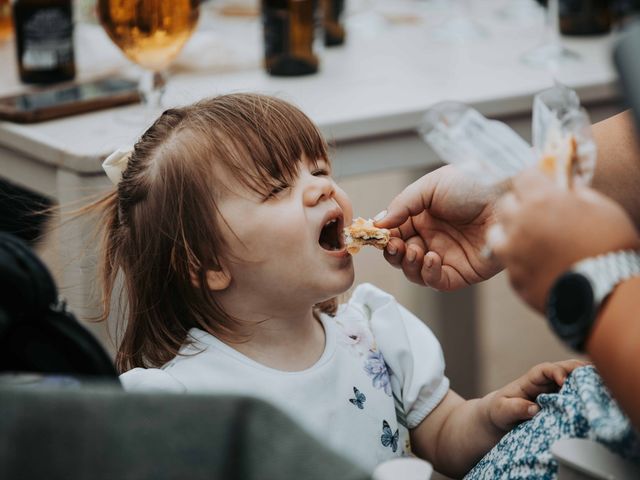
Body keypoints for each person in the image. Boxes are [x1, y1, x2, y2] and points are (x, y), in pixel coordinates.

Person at [89, 93, 581, 478]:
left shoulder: (373, 332)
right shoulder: (180, 401)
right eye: (275, 188)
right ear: (205, 263)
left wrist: (492, 416)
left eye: (319, 169)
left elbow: (445, 435)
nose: (322, 187)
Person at [375, 110, 640, 431]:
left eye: (320, 172)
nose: (322, 190)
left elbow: (442, 428)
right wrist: (505, 189)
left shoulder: (380, 328)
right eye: (292, 184)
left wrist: (598, 280)